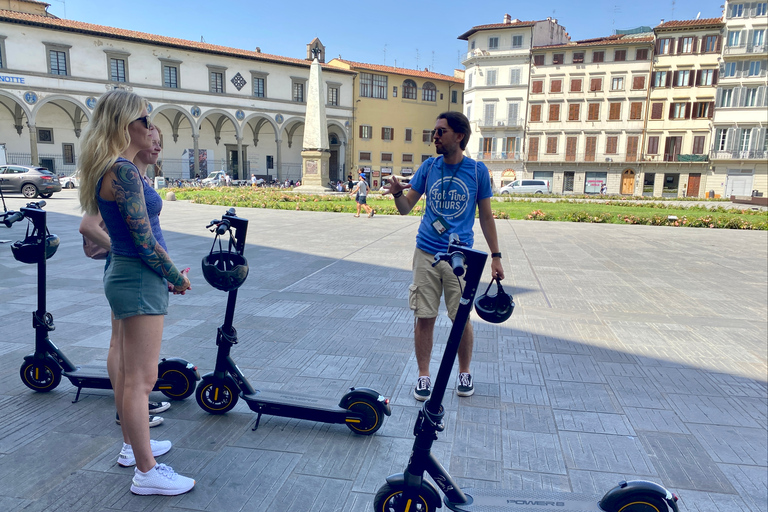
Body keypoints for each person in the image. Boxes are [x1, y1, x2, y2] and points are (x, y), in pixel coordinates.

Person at [78, 89, 194, 496]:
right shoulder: (123, 171)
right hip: (139, 275)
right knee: (141, 381)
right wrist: (173, 277)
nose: (151, 126)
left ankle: (137, 449)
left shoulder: (112, 166)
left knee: (131, 378)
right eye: (145, 120)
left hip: (130, 274)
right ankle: (146, 471)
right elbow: (144, 242)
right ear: (125, 124)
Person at [382, 112, 505, 401]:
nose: (434, 137)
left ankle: (464, 371)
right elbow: (405, 208)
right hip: (425, 252)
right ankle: (424, 376)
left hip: (461, 257)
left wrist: (496, 257)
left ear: (459, 136)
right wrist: (399, 193)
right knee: (424, 316)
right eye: (434, 131)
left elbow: (486, 217)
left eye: (441, 131)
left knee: (460, 318)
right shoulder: (429, 167)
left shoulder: (477, 172)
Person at [79, 125, 171, 431]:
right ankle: (132, 428)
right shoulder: (122, 173)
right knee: (132, 367)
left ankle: (133, 429)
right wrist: (121, 251)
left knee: (132, 367)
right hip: (134, 272)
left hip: (136, 270)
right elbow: (91, 226)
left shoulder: (131, 174)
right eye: (152, 137)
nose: (156, 146)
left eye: (160, 143)